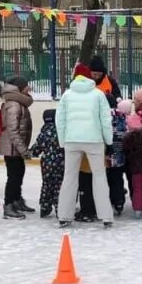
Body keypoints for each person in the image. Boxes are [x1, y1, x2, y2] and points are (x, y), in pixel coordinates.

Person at [56, 64, 114, 229]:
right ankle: (106, 216)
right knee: (99, 177)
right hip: (94, 140)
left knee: (69, 177)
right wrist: (108, 142)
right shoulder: (98, 95)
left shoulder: (66, 95)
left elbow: (60, 121)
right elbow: (105, 120)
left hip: (71, 140)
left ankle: (64, 216)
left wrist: (62, 142)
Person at [0, 76, 34, 220]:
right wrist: (23, 150)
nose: (29, 88)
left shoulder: (19, 102)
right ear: (19, 88)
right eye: (26, 86)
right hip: (13, 148)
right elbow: (13, 130)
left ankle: (16, 200)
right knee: (13, 176)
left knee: (19, 173)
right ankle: (8, 205)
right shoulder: (14, 105)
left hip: (16, 148)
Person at [31, 109, 64, 218]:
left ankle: (45, 207)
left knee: (47, 184)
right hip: (60, 161)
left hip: (46, 163)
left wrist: (31, 153)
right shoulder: (61, 131)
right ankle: (60, 208)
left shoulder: (43, 133)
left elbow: (36, 148)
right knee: (59, 184)